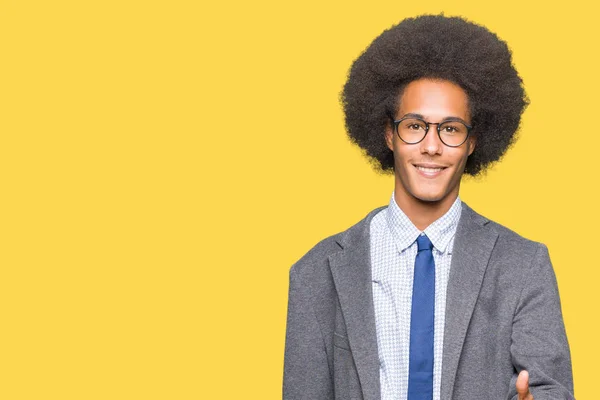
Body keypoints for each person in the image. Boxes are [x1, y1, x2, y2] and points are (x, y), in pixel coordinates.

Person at [282, 14, 574, 400]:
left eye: (450, 128)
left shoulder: (523, 265)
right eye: (415, 126)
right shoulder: (316, 272)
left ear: (473, 142)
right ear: (389, 133)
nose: (432, 146)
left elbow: (549, 389)